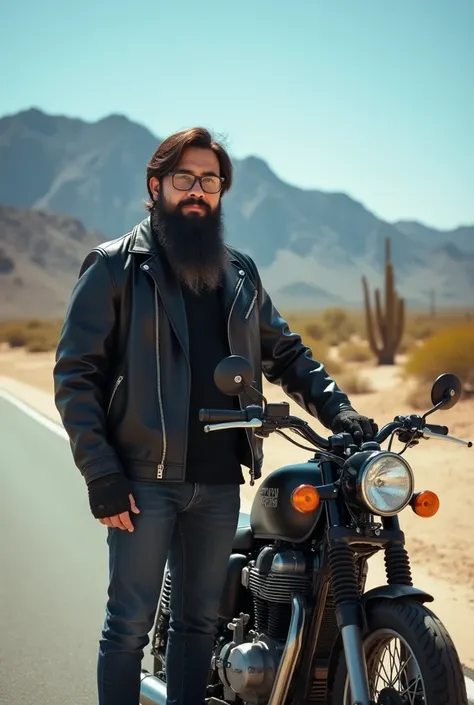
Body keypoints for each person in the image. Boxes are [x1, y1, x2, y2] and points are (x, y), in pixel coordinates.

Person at [53, 127, 378, 705]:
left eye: (210, 180)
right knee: (128, 625)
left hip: (219, 479)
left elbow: (287, 354)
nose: (198, 190)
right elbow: (76, 377)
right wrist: (100, 473)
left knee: (197, 626)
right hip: (139, 481)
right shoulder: (113, 268)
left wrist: (339, 410)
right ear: (156, 186)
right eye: (185, 179)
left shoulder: (241, 274)